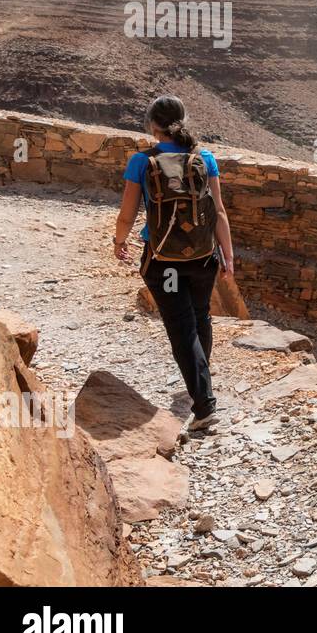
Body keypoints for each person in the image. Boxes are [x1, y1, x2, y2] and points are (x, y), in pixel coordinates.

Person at [113, 96, 235, 431]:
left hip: (164, 262)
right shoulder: (204, 157)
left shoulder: (141, 161)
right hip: (204, 256)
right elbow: (219, 211)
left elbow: (127, 214)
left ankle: (205, 405)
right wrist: (228, 253)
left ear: (151, 125)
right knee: (199, 317)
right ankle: (200, 377)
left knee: (181, 326)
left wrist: (119, 241)